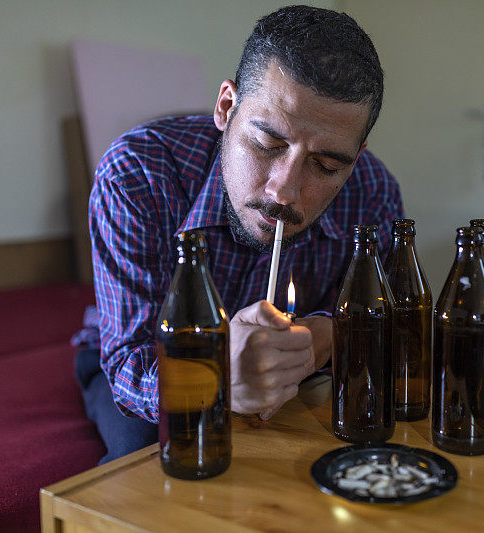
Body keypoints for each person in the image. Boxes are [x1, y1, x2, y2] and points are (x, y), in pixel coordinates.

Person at [74, 4, 404, 463]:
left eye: (325, 165)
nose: (285, 191)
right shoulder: (139, 174)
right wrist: (214, 375)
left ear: (356, 156)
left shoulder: (373, 190)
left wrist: (325, 336)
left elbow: (384, 323)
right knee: (157, 457)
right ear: (227, 107)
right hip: (149, 361)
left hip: (300, 370)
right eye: (268, 145)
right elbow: (128, 363)